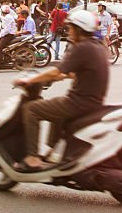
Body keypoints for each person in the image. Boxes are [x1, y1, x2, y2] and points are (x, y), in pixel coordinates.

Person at [12, 9, 109, 171]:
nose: (69, 31)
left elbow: (58, 70)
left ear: (79, 30)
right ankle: (54, 152)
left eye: (71, 28)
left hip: (80, 103)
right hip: (92, 102)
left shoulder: (82, 48)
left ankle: (33, 159)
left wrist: (29, 80)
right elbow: (74, 72)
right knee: (55, 107)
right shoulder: (96, 47)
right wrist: (59, 76)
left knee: (31, 109)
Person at [0, 5, 17, 73]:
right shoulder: (4, 17)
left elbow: (6, 30)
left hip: (8, 35)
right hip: (5, 34)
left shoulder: (8, 18)